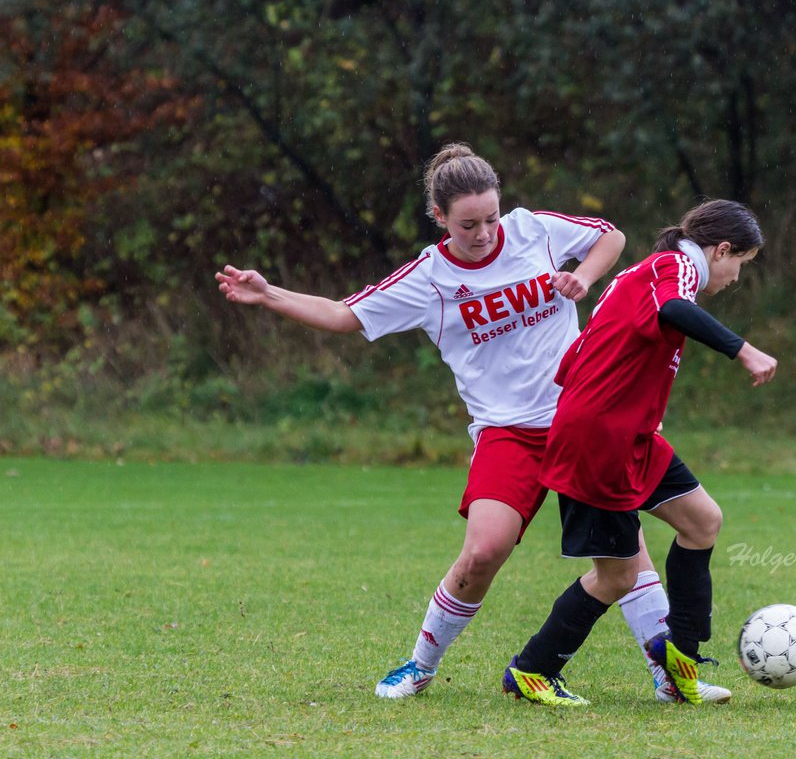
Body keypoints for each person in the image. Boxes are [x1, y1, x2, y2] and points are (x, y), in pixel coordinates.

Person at [216, 143, 686, 701]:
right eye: (468, 224)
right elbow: (345, 315)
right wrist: (270, 294)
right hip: (507, 434)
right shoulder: (429, 278)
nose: (484, 232)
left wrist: (582, 276)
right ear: (440, 218)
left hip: (579, 421)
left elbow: (610, 236)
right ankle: (419, 664)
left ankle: (668, 676)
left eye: (490, 218)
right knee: (484, 550)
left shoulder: (534, 230)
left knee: (624, 550)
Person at [500, 198, 778, 707]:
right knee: (617, 576)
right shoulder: (669, 269)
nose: (737, 277)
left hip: (632, 437)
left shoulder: (658, 272)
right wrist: (744, 349)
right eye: (741, 263)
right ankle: (532, 670)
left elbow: (584, 356)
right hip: (600, 441)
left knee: (703, 522)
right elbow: (674, 310)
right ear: (721, 250)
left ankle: (679, 663)